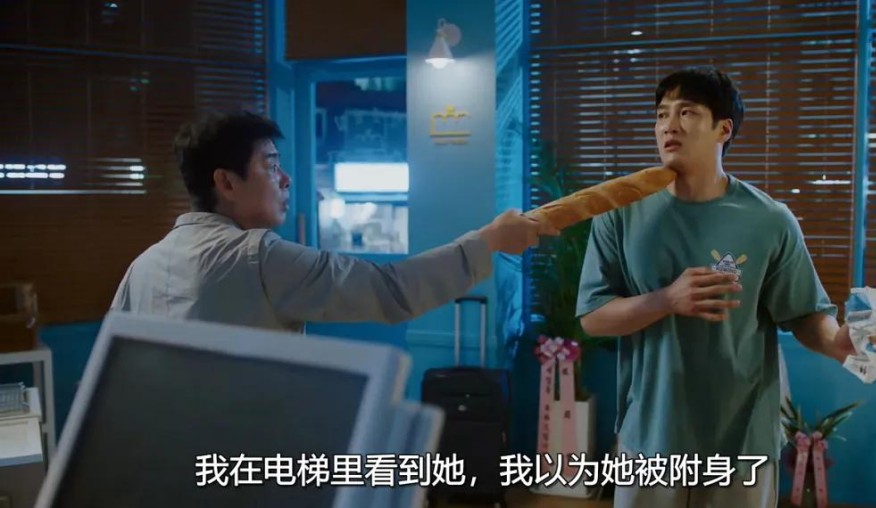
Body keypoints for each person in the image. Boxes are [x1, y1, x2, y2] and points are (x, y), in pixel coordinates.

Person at [575, 66, 876, 508]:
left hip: (743, 441)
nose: (669, 125)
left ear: (723, 129)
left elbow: (803, 313)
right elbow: (593, 318)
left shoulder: (769, 220)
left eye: (687, 112)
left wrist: (834, 342)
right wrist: (666, 300)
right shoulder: (619, 213)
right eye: (662, 114)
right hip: (650, 435)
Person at [110, 110, 559, 332]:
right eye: (271, 165)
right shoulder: (257, 256)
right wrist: (490, 240)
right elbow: (391, 290)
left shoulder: (142, 267)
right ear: (226, 182)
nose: (285, 179)